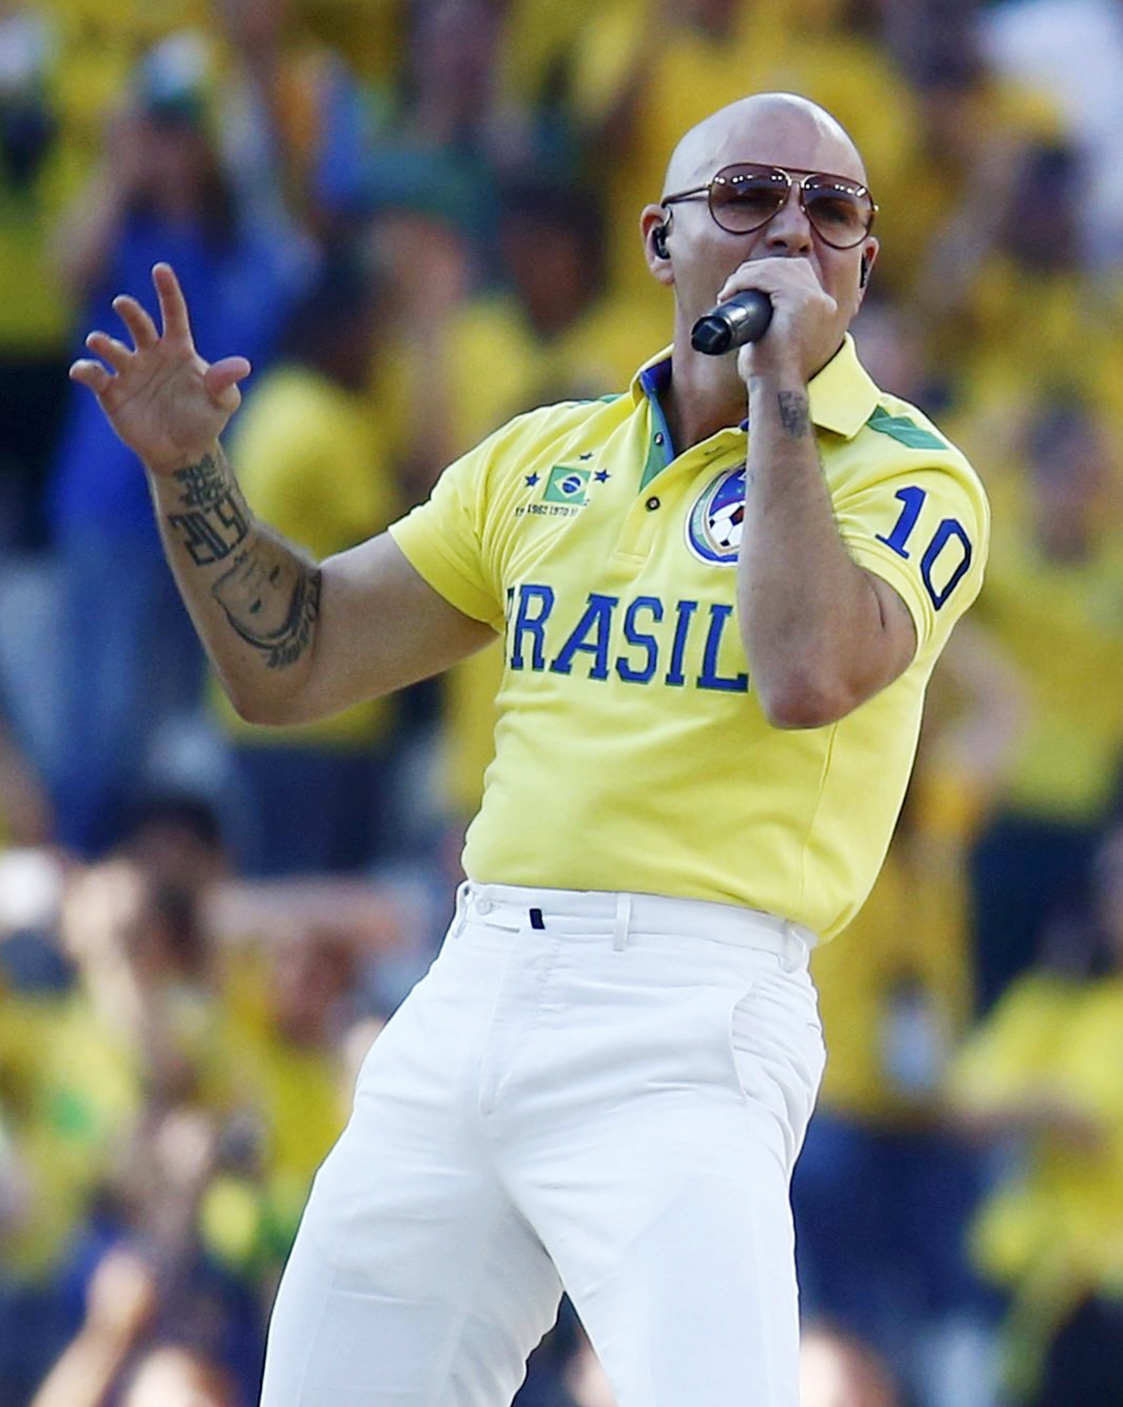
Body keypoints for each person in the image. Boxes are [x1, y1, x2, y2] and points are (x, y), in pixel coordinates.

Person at [66, 91, 991, 1407]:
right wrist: (187, 476)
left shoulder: (913, 473)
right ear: (662, 243)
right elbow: (295, 661)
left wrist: (783, 385)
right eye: (748, 198)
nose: (792, 226)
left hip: (692, 1010)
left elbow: (806, 671)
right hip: (479, 972)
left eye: (830, 209)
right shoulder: (542, 458)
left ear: (863, 263)